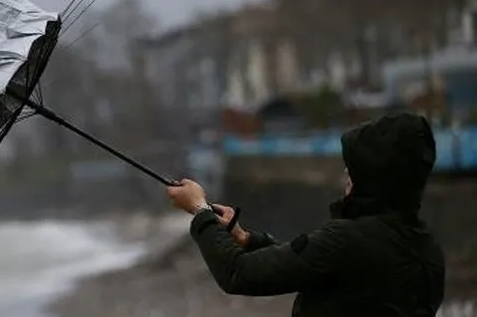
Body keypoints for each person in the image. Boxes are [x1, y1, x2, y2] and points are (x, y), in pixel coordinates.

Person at [166, 112, 446, 316]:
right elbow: (319, 267)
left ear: (377, 177)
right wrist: (246, 239)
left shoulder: (346, 241)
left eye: (356, 168)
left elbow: (238, 273)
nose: (346, 174)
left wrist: (199, 209)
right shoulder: (427, 250)